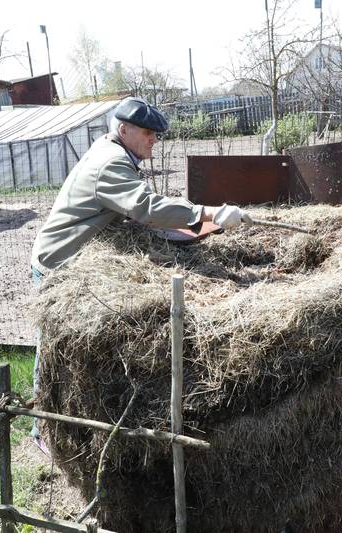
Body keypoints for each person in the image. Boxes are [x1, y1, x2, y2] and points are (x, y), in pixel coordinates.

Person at [29, 96, 244, 445]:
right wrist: (208, 213)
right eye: (148, 133)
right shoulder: (110, 162)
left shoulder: (113, 149)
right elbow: (144, 207)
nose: (154, 140)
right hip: (59, 260)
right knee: (51, 349)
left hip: (78, 255)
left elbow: (134, 208)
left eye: (156, 134)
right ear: (124, 129)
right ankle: (43, 432)